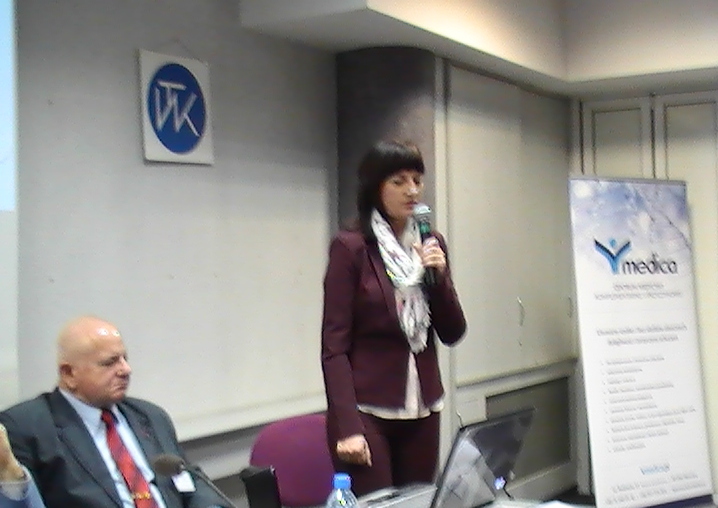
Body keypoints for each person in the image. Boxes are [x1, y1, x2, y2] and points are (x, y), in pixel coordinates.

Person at [321, 140, 467, 496]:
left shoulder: (430, 243)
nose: (412, 190)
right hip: (366, 411)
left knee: (417, 502)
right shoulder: (351, 247)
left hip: (422, 409)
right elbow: (334, 347)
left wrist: (439, 279)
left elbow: (452, 332)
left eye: (417, 180)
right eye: (399, 181)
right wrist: (348, 427)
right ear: (376, 187)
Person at [0, 315, 230, 508]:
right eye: (109, 363)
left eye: (124, 359)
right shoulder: (26, 427)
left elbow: (190, 480)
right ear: (69, 373)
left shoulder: (150, 416)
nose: (126, 370)